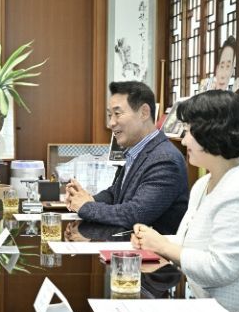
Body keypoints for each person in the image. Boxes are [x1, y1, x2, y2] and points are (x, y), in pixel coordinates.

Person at [131, 90, 239, 312]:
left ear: (213, 133)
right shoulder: (204, 183)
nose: (184, 141)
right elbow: (189, 243)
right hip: (205, 306)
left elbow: (219, 269)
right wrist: (153, 239)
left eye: (189, 131)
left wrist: (162, 246)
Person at [65, 81, 189, 234]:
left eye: (117, 114)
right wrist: (85, 198)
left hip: (152, 249)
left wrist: (86, 206)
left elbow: (134, 214)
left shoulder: (165, 159)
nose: (111, 123)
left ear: (144, 112)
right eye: (110, 115)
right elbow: (115, 194)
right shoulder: (137, 151)